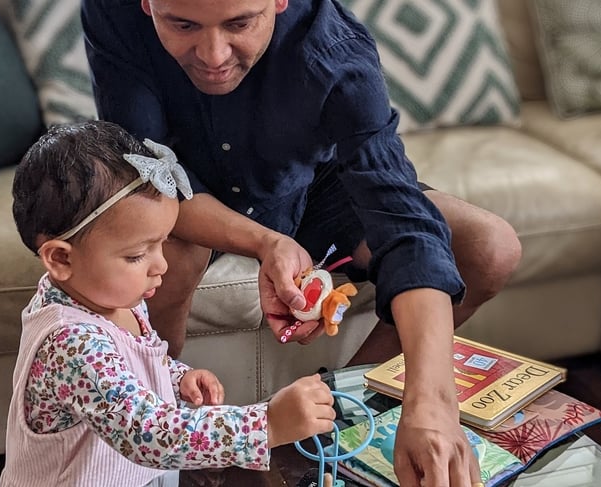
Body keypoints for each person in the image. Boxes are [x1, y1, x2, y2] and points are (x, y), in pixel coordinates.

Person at [81, 0, 522, 485]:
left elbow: (402, 217)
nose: (212, 54)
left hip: (315, 189)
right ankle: (164, 445)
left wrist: (434, 402)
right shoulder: (112, 12)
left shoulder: (333, 48)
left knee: (488, 246)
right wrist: (267, 243)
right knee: (159, 258)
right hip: (188, 197)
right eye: (183, 24)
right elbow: (149, 175)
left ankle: (343, 418)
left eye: (240, 23)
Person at [0, 120, 337, 487]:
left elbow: (131, 364)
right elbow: (148, 433)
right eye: (136, 255)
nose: (160, 265)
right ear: (61, 259)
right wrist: (268, 423)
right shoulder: (71, 344)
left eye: (161, 243)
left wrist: (175, 378)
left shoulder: (110, 297)